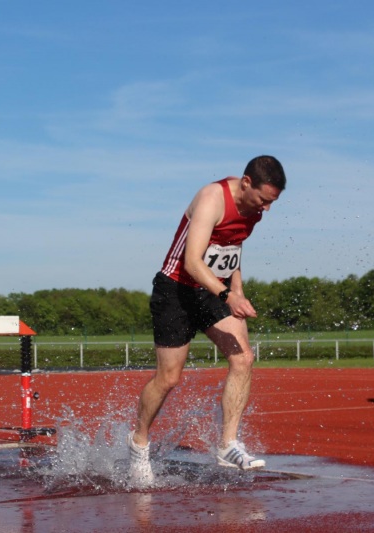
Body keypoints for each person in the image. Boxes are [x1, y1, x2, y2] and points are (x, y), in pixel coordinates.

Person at [127, 155, 286, 487]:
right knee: (168, 378)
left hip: (213, 291)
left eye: (272, 202)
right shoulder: (212, 198)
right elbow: (192, 261)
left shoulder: (254, 210)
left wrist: (237, 289)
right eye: (263, 200)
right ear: (246, 183)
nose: (267, 209)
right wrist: (228, 295)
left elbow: (232, 246)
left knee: (243, 358)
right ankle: (138, 443)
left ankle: (228, 445)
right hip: (176, 290)